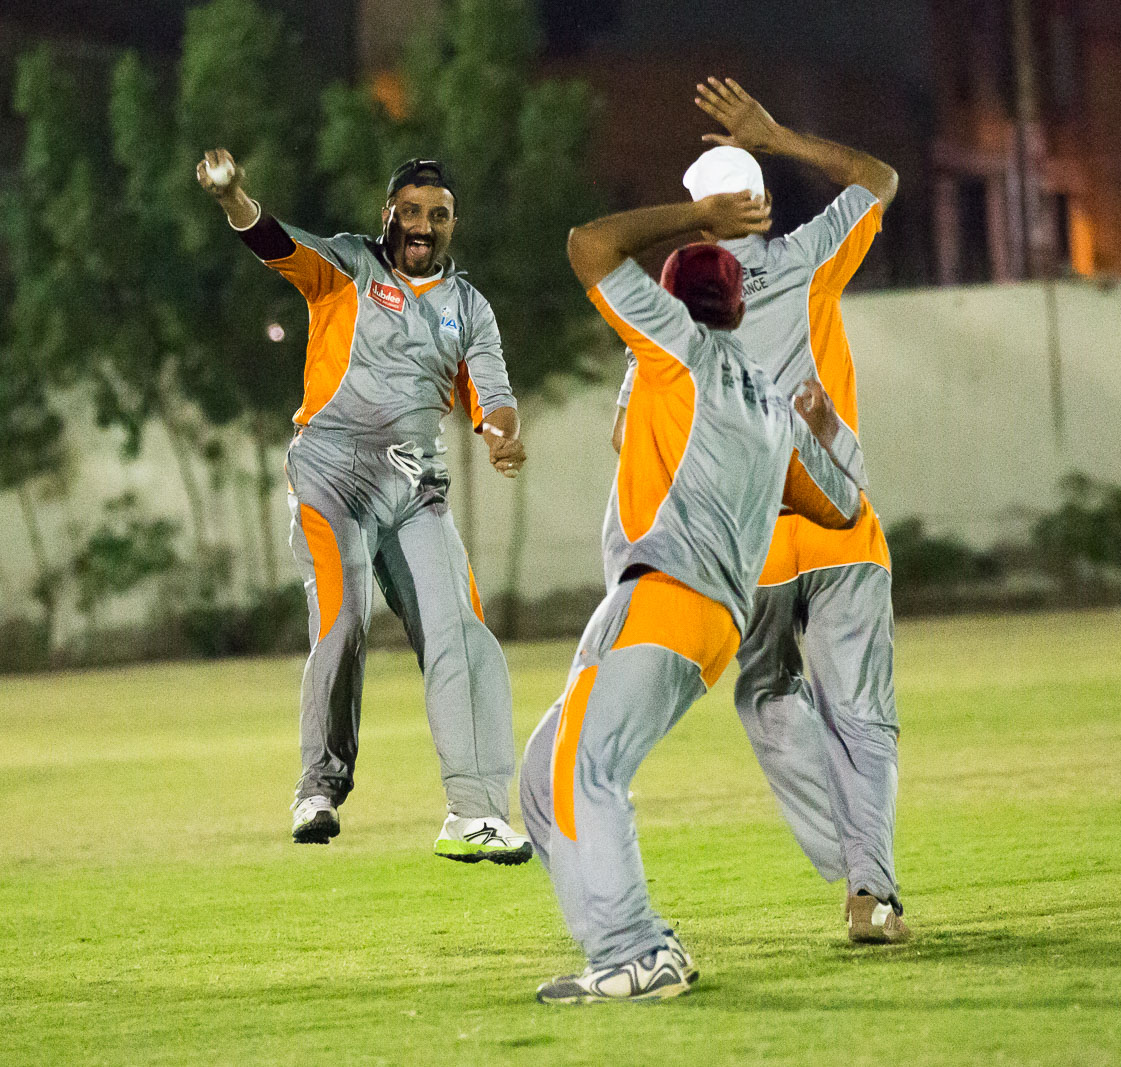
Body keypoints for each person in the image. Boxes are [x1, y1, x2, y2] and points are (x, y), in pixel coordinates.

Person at [519, 191, 868, 1003]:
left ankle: (636, 949)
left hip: (663, 593)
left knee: (586, 766)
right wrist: (822, 431)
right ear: (740, 309)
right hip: (710, 622)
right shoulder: (768, 401)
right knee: (545, 773)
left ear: (669, 302)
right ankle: (618, 946)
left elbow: (587, 242)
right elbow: (842, 506)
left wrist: (698, 211)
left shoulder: (670, 343)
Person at [611, 78, 907, 942]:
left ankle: (853, 863)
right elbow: (881, 179)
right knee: (861, 713)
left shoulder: (669, 312)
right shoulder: (808, 257)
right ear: (763, 206)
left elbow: (626, 433)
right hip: (842, 527)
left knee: (767, 693)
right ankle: (871, 887)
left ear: (698, 220)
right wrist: (779, 135)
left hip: (748, 549)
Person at [198, 150, 533, 859]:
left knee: (461, 630)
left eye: (437, 215)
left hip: (415, 487)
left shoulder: (468, 306)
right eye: (410, 211)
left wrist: (502, 434)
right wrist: (232, 197)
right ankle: (318, 786)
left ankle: (474, 813)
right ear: (388, 215)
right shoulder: (348, 266)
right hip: (331, 477)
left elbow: (494, 394)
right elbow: (273, 240)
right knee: (344, 620)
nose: (423, 225)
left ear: (452, 224)